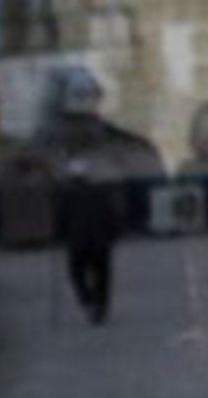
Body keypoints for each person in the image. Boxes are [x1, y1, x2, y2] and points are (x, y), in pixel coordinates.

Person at [25, 66, 165, 324]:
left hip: (98, 200)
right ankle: (91, 299)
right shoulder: (54, 135)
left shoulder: (103, 133)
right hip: (78, 201)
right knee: (81, 262)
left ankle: (98, 303)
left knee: (98, 260)